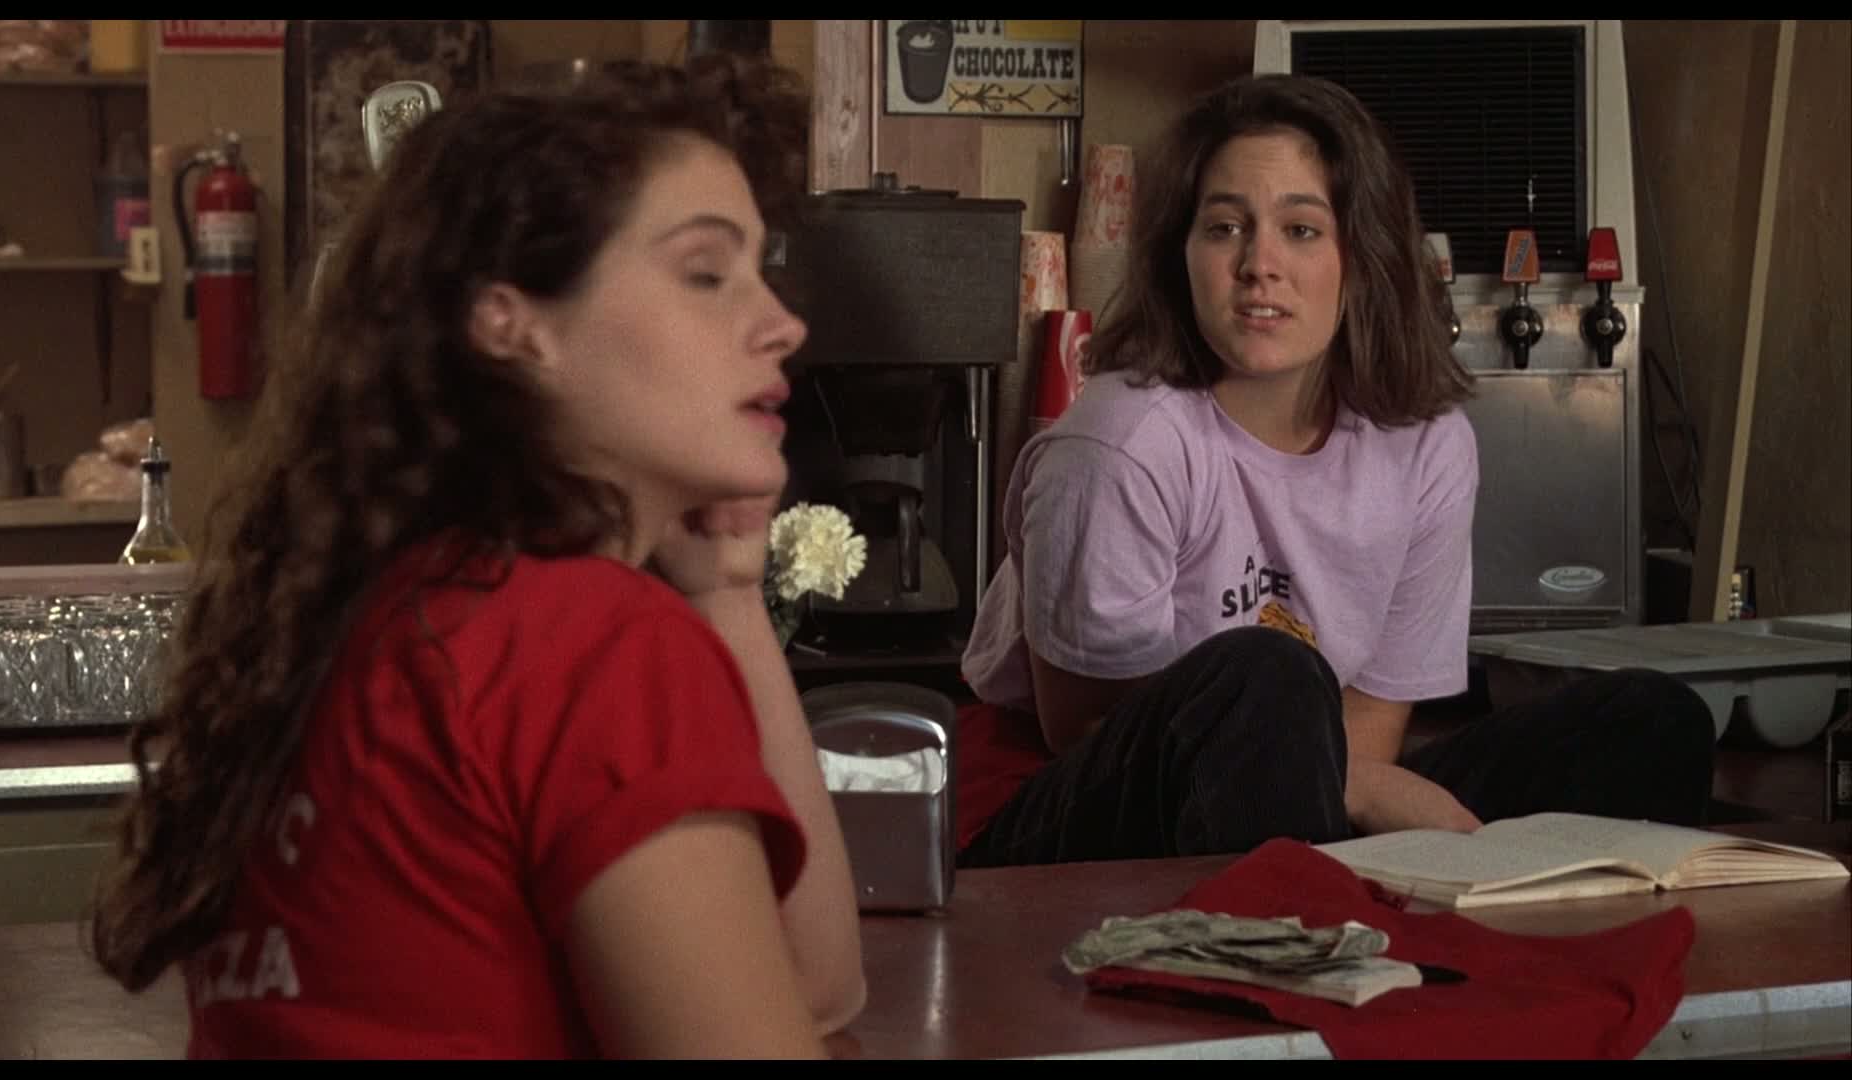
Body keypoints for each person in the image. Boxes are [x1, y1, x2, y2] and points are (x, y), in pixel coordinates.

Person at [90, 56, 866, 1058]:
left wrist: (726, 593)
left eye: (765, 270)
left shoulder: (384, 610)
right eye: (707, 274)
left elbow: (816, 989)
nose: (783, 325)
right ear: (515, 323)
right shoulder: (592, 646)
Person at [954, 73, 1715, 868]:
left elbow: (1366, 743)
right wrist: (1324, 768)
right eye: (1224, 227)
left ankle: (1453, 922)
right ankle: (1307, 924)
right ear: (1182, 255)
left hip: (1300, 791)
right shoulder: (1122, 442)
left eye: (1302, 230)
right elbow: (1082, 730)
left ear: (1364, 257)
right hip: (1063, 818)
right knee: (1266, 676)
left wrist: (1350, 788)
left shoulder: (1428, 447)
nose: (1260, 265)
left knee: (1650, 721)